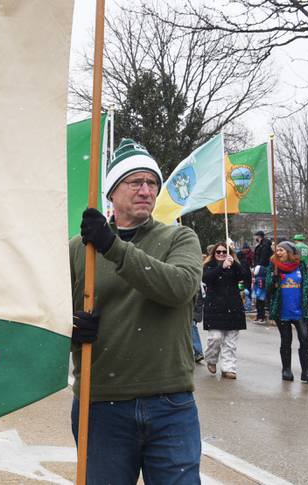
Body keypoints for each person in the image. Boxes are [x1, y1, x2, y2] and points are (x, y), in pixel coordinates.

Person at [69, 138, 203, 483]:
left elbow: (179, 288)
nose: (146, 190)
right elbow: (51, 315)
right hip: (101, 404)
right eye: (135, 182)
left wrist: (113, 248)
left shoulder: (180, 238)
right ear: (113, 192)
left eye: (151, 183)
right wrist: (71, 329)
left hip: (170, 403)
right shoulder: (78, 250)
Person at [265, 240, 308, 384]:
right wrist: (272, 279)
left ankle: (306, 372)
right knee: (286, 340)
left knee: (305, 339)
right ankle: (286, 370)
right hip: (282, 311)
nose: (278, 252)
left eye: (282, 250)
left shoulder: (301, 266)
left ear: (290, 252)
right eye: (277, 250)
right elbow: (269, 289)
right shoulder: (274, 267)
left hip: (300, 311)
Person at [202, 242, 249, 379]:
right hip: (214, 307)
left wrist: (234, 264)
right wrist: (221, 267)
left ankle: (229, 368)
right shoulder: (208, 266)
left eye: (224, 252)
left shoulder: (234, 265)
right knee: (215, 338)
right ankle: (211, 359)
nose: (221, 254)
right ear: (214, 253)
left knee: (230, 342)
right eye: (219, 252)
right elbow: (206, 278)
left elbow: (244, 277)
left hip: (233, 306)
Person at [252, 230, 273, 323]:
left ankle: (261, 316)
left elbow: (262, 258)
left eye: (255, 236)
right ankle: (259, 315)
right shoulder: (261, 245)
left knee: (260, 295)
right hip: (259, 270)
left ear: (258, 236)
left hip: (261, 271)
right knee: (258, 295)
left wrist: (258, 266)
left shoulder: (264, 246)